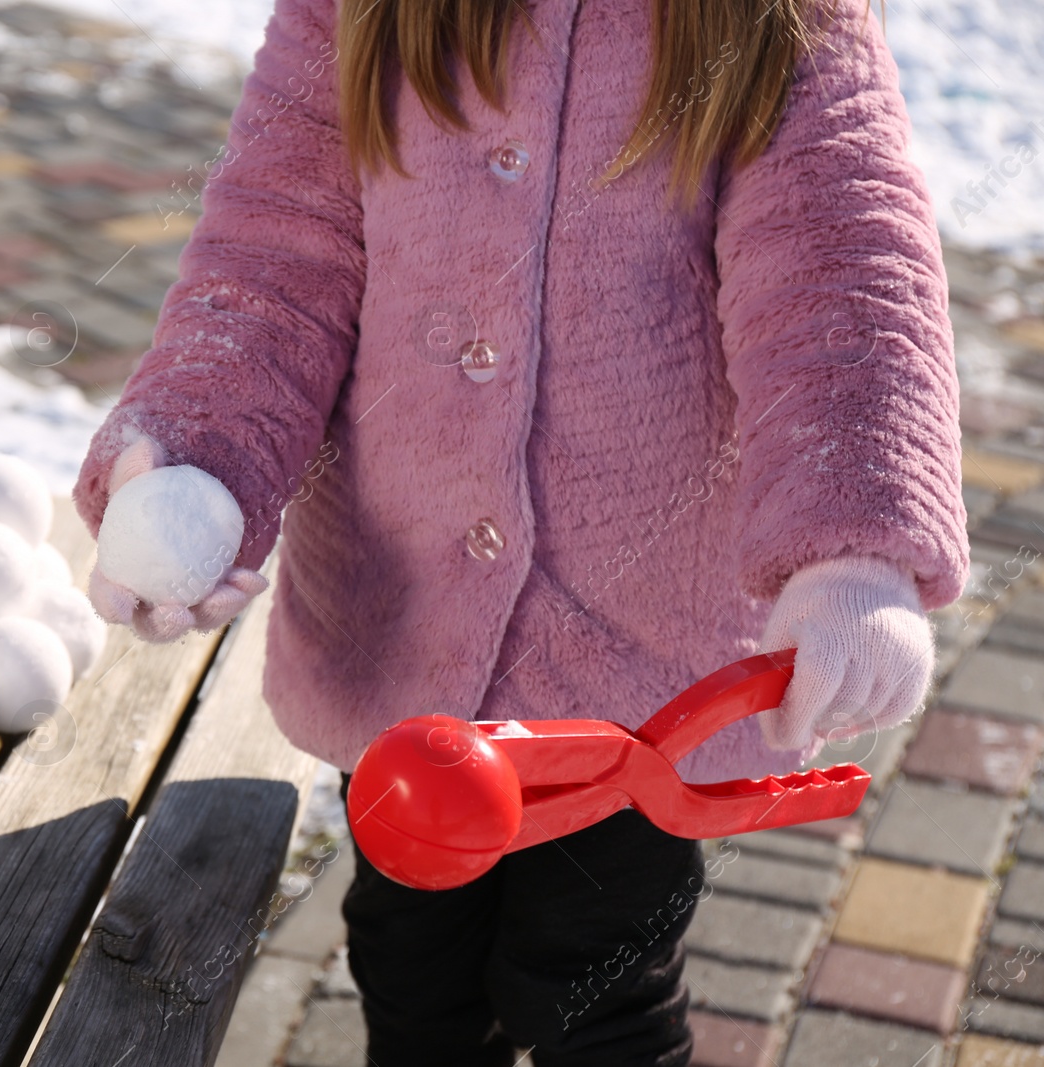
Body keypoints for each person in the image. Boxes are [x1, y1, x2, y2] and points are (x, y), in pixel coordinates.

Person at [71, 0, 967, 1061]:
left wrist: (852, 539)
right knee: (411, 967)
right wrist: (197, 460)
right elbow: (277, 251)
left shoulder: (770, 17)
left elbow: (835, 267)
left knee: (589, 987)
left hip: (638, 673)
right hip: (403, 637)